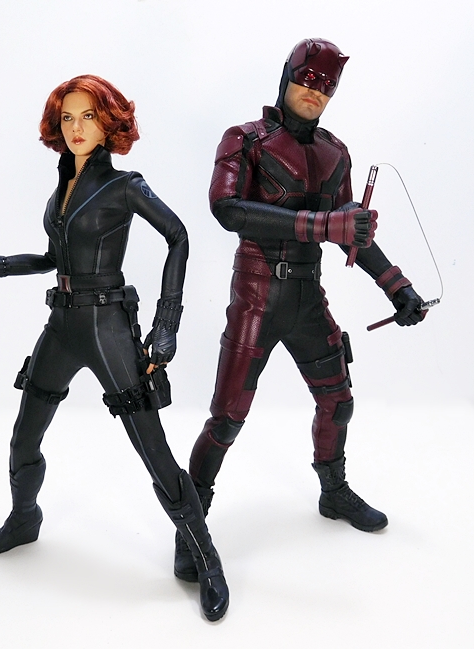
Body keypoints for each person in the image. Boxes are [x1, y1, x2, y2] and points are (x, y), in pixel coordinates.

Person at [0, 75, 228, 622]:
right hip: (62, 325)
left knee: (152, 449)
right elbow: (52, 260)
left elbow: (179, 235)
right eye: (67, 117)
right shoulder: (61, 192)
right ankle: (25, 518)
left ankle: (205, 557)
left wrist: (167, 323)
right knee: (25, 434)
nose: (76, 127)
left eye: (88, 116)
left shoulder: (124, 186)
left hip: (108, 326)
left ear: (108, 122)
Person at [174, 39, 426, 581]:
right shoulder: (245, 139)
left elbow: (350, 231)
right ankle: (190, 524)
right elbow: (227, 209)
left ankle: (333, 492)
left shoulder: (336, 153)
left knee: (338, 402)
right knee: (226, 418)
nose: (317, 91)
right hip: (256, 297)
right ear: (287, 76)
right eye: (309, 79)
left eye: (328, 85)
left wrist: (396, 285)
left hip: (308, 298)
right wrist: (324, 224)